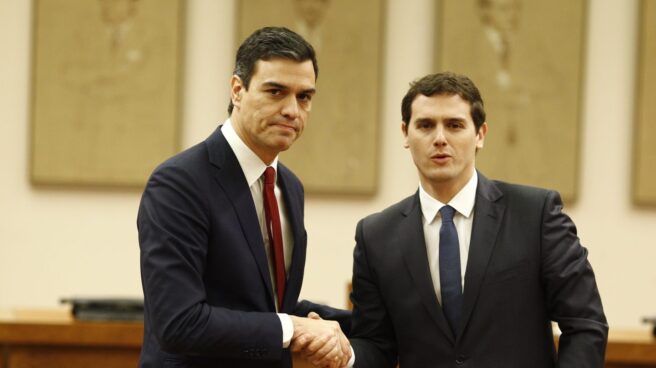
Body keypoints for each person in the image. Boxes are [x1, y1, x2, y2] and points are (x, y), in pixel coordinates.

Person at [348, 72, 608, 367]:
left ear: (480, 134)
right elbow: (376, 344)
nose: (440, 138)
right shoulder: (376, 236)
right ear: (405, 134)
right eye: (425, 125)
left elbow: (585, 323)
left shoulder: (535, 215)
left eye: (455, 125)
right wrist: (342, 352)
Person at [137, 26, 351, 368]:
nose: (292, 110)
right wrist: (293, 328)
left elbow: (265, 306)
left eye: (304, 97)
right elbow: (178, 323)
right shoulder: (178, 182)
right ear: (237, 90)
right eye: (275, 91)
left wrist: (343, 324)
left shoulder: (289, 187)